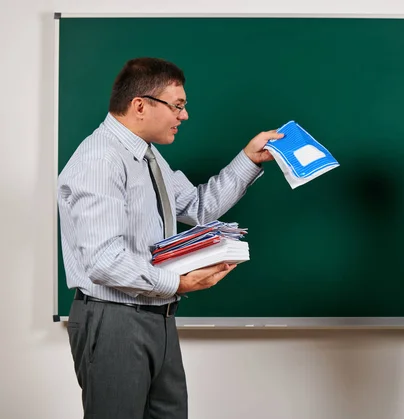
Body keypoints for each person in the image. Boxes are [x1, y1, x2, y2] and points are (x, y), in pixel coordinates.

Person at [57, 57, 284, 419]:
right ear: (140, 105)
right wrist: (177, 282)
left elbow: (197, 206)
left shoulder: (147, 156)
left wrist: (249, 159)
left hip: (156, 315)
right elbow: (103, 261)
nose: (184, 115)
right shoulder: (101, 160)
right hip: (114, 319)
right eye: (177, 106)